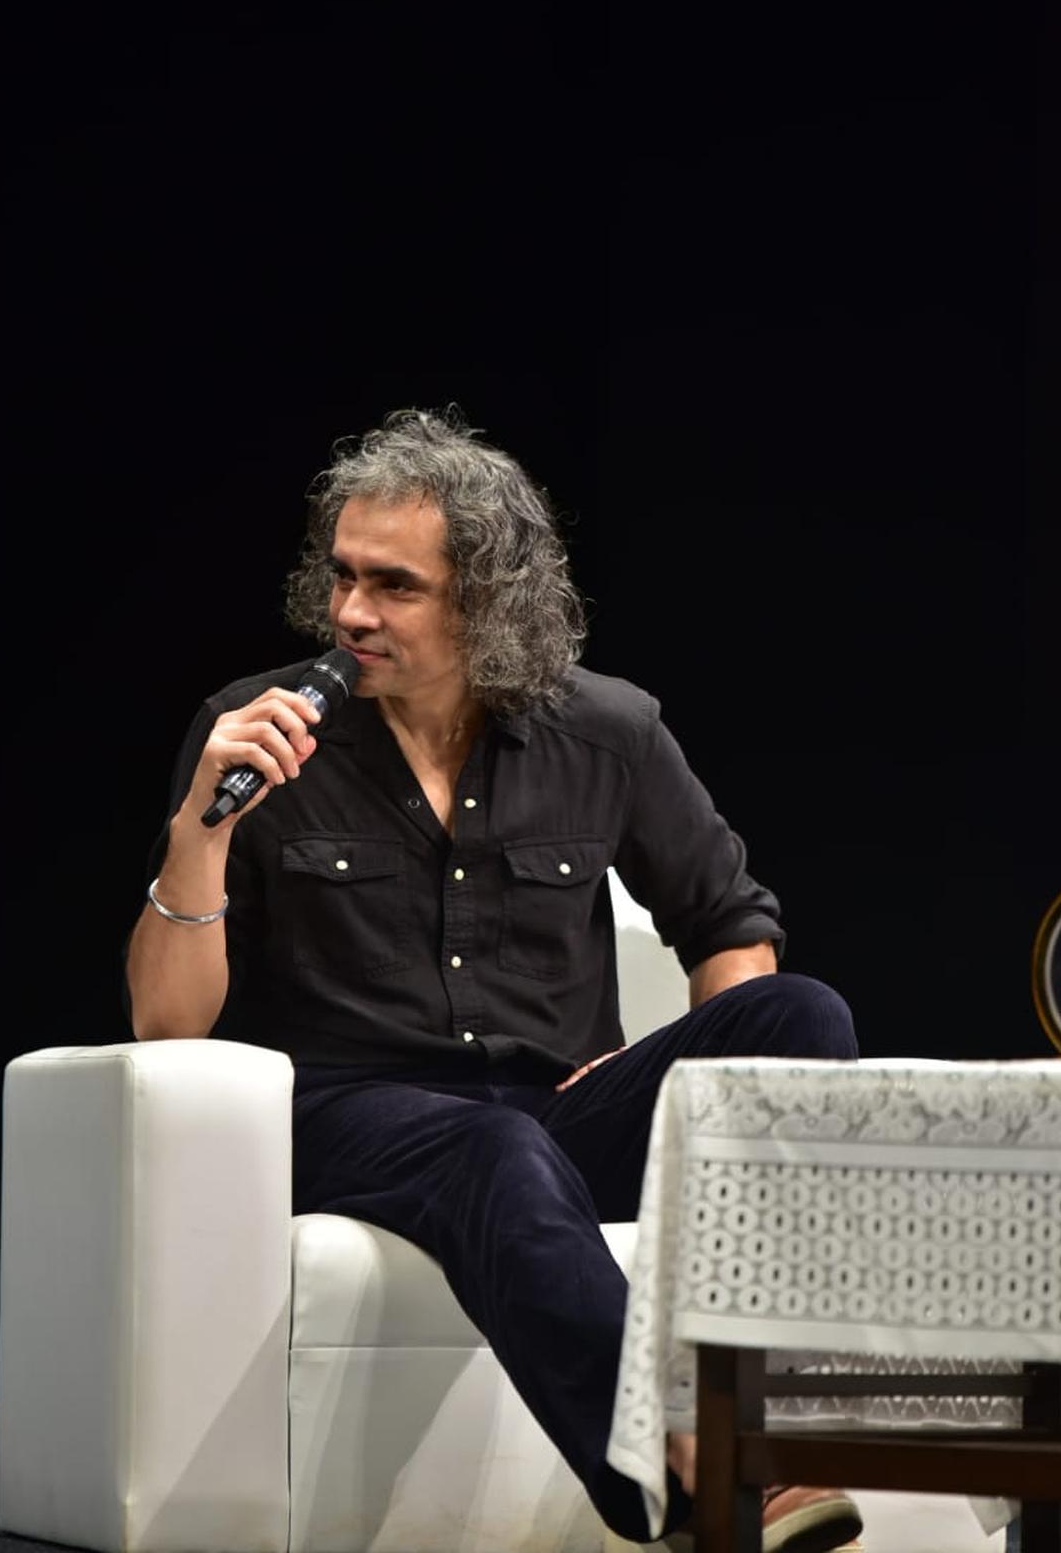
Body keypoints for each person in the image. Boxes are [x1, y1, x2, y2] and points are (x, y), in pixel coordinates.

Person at [126, 408, 863, 1551]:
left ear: (487, 600)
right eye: (343, 578)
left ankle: (772, 1373)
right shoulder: (257, 729)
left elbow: (730, 927)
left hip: (553, 1110)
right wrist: (201, 832)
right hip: (346, 1116)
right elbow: (167, 1025)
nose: (352, 613)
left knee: (800, 1013)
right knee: (490, 1145)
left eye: (394, 587)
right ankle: (694, 1469)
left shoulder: (605, 732)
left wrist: (702, 1113)